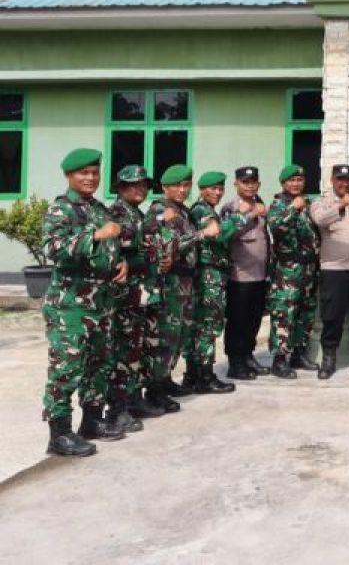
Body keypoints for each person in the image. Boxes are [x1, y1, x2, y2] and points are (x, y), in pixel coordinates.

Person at [42, 148, 126, 456]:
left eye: (94, 172)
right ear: (69, 176)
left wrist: (120, 263)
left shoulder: (99, 208)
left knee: (98, 364)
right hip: (71, 305)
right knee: (66, 368)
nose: (90, 177)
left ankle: (91, 421)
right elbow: (53, 248)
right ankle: (59, 433)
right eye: (83, 173)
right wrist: (97, 235)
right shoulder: (61, 209)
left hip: (101, 302)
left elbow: (110, 246)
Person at [142, 165, 218, 410]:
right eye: (177, 186)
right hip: (170, 283)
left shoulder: (183, 211)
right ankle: (154, 389)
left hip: (186, 282)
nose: (182, 190)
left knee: (180, 335)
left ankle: (165, 379)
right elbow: (163, 244)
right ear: (165, 188)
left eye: (186, 185)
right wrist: (200, 235)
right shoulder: (159, 210)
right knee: (165, 336)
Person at [309, 164, 349, 379]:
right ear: (332, 180)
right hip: (334, 269)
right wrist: (340, 206)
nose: (344, 183)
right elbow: (319, 220)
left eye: (348, 179)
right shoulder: (321, 203)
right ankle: (328, 359)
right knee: (332, 316)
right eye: (340, 179)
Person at [185, 170, 245, 394]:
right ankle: (205, 376)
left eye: (220, 189)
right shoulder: (202, 210)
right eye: (213, 188)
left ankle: (193, 374)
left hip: (211, 273)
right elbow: (218, 234)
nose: (218, 193)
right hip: (209, 274)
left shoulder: (206, 209)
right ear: (202, 190)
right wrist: (240, 217)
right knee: (208, 326)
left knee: (201, 326)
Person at [106, 165, 152, 429]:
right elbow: (118, 251)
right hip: (122, 294)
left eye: (144, 185)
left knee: (135, 348)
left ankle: (132, 399)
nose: (140, 189)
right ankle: (117, 409)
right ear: (120, 188)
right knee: (123, 351)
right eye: (134, 185)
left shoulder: (135, 213)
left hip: (138, 292)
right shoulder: (116, 214)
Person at [265, 164, 320, 379]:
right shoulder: (279, 204)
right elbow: (276, 228)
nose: (296, 184)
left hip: (308, 268)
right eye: (291, 181)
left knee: (305, 314)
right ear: (283, 183)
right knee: (284, 314)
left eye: (299, 180)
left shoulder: (308, 204)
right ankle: (279, 360)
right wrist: (293, 209)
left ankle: (298, 353)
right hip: (287, 269)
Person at [222, 166, 271, 380]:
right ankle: (235, 362)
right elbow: (227, 234)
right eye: (245, 182)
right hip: (239, 275)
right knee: (237, 321)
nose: (250, 185)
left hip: (259, 274)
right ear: (236, 184)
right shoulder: (230, 208)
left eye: (253, 182)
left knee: (253, 319)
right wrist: (251, 214)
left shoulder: (260, 204)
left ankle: (248, 355)